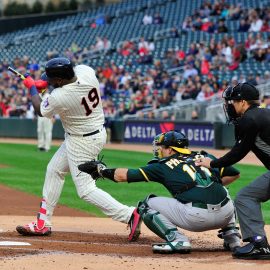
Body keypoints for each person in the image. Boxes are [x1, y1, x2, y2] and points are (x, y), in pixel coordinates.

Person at [16, 57, 141, 242]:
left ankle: (129, 214)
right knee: (54, 170)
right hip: (90, 133)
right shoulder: (85, 71)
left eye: (52, 80)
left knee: (86, 190)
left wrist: (33, 88)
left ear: (59, 81)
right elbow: (56, 86)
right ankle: (43, 222)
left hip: (82, 142)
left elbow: (39, 109)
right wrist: (44, 85)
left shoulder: (62, 96)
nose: (50, 81)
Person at [78, 130, 241, 254]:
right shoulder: (204, 155)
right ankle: (232, 236)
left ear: (170, 150)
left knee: (146, 205)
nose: (159, 150)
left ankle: (178, 240)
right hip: (225, 215)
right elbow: (235, 174)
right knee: (221, 189)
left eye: (162, 147)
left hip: (197, 219)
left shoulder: (162, 165)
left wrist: (101, 170)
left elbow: (123, 176)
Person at [196, 82, 270, 260]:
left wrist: (212, 164)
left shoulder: (249, 119)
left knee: (246, 197)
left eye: (233, 102)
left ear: (243, 102)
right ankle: (259, 244)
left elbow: (238, 153)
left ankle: (258, 245)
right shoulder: (265, 113)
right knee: (248, 196)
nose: (230, 106)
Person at [37, 88, 54, 152]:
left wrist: (53, 116)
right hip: (40, 115)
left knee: (47, 131)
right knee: (39, 131)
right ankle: (41, 146)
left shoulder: (49, 96)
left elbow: (53, 107)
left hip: (48, 116)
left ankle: (47, 147)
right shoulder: (39, 95)